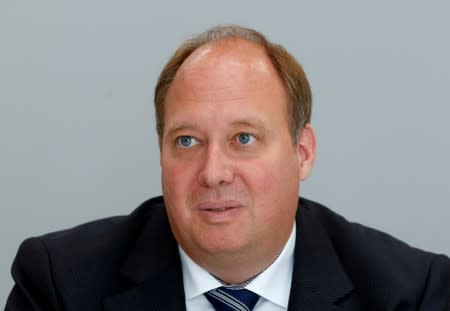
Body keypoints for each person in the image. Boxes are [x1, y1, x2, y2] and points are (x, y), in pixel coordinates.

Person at [5, 25, 450, 311]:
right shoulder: (60, 284)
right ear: (161, 153)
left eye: (243, 138)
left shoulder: (410, 293)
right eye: (187, 141)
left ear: (303, 152)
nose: (213, 173)